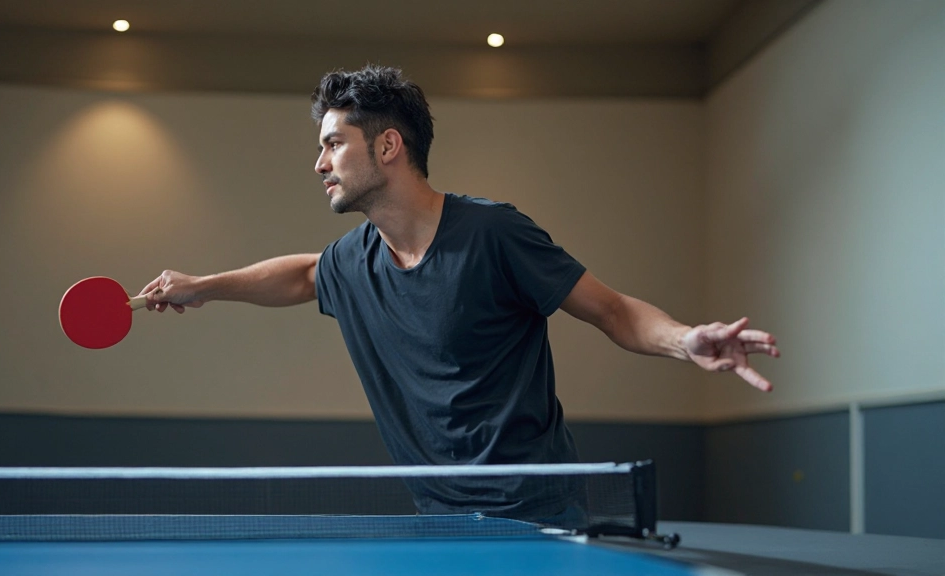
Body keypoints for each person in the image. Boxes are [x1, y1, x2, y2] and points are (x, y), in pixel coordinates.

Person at [138, 65, 780, 523]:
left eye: (333, 144)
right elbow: (304, 274)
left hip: (539, 513)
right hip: (437, 517)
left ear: (388, 145)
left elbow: (611, 310)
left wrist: (684, 341)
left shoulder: (493, 232)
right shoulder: (354, 261)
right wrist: (204, 288)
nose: (319, 163)